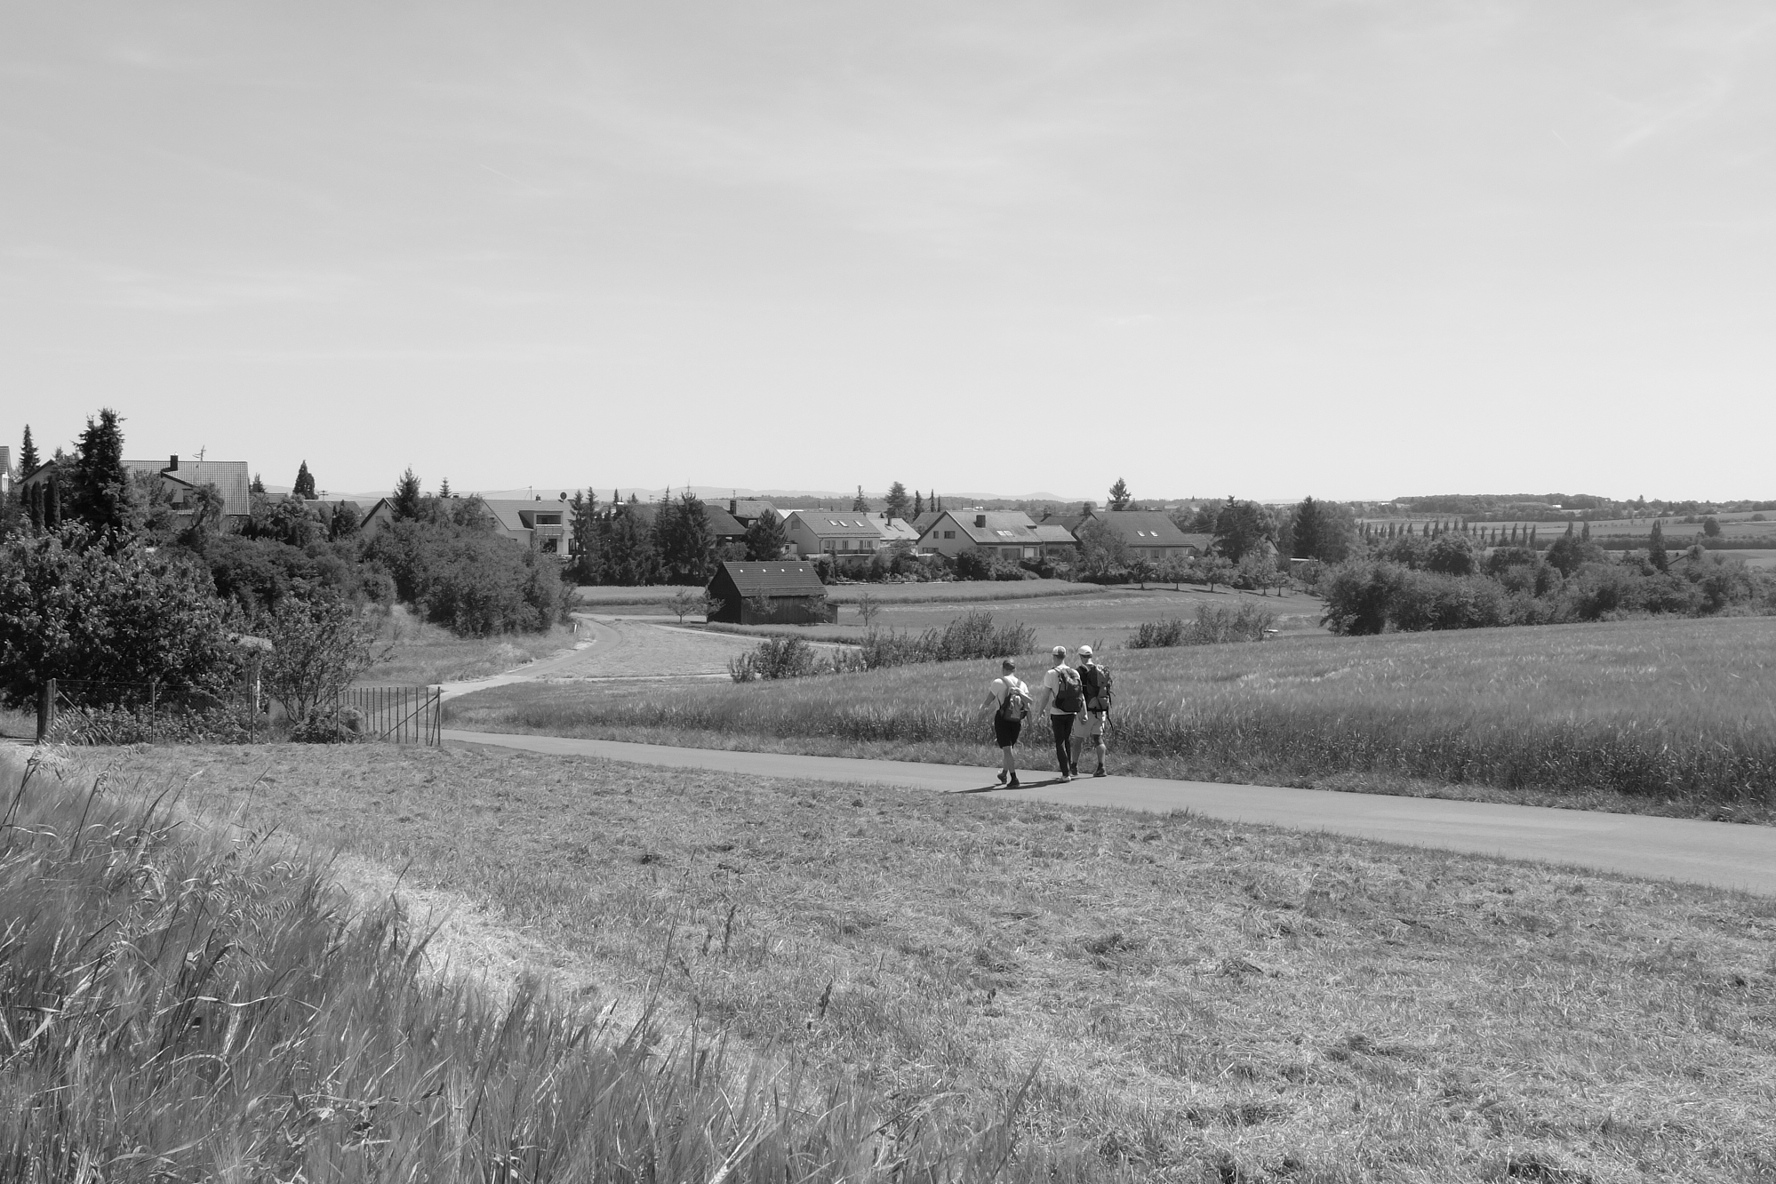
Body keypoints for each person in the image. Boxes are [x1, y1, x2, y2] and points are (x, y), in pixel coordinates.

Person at [1033, 645, 1084, 781]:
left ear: (1054, 657)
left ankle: (1065, 774)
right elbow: (1080, 694)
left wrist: (1040, 711)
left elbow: (1045, 696)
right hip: (1071, 711)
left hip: (1057, 712)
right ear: (1064, 656)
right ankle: (1069, 770)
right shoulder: (1074, 672)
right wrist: (1082, 711)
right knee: (1067, 740)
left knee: (1059, 741)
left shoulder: (1051, 673)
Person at [977, 658, 1030, 786]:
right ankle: (1004, 774)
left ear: (1003, 669)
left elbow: (988, 702)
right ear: (1014, 669)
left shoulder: (998, 682)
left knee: (1007, 749)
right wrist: (1031, 724)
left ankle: (1014, 779)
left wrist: (980, 717)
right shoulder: (1022, 684)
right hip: (1016, 719)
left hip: (1002, 719)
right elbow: (1027, 706)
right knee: (1009, 749)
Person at [1070, 644, 1111, 777]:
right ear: (1091, 655)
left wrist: (1078, 711)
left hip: (1086, 710)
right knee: (1098, 738)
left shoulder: (1078, 671)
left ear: (1081, 656)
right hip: (1100, 709)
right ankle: (1102, 767)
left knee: (1078, 739)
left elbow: (1077, 692)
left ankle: (1074, 766)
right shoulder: (1101, 670)